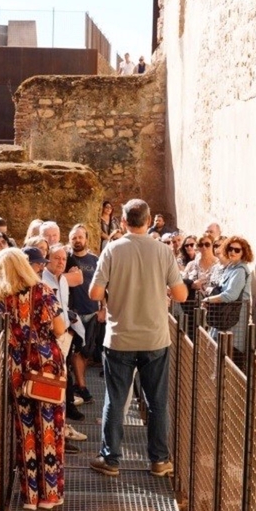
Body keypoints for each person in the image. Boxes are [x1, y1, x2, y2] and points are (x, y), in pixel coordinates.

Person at [88, 199, 187, 478]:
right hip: (155, 337)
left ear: (122, 221)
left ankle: (111, 459)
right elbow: (181, 295)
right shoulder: (163, 251)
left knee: (116, 400)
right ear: (148, 220)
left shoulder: (112, 249)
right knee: (156, 402)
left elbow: (94, 294)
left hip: (119, 338)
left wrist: (113, 292)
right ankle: (158, 460)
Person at [0, 248, 67, 511]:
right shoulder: (42, 291)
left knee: (26, 430)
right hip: (45, 366)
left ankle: (30, 496)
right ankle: (50, 495)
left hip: (16, 368)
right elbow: (60, 328)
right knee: (50, 428)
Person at [42, 244, 86, 422]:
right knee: (54, 375)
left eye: (63, 259)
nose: (61, 262)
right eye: (56, 258)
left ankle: (66, 409)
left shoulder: (63, 280)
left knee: (65, 372)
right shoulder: (43, 280)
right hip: (51, 335)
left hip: (65, 333)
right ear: (48, 260)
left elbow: (63, 306)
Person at [202, 236, 254, 363]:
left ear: (244, 252)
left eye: (237, 250)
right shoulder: (231, 267)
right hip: (225, 315)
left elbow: (231, 295)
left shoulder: (240, 271)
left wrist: (208, 299)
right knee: (215, 350)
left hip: (233, 317)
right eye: (230, 248)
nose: (233, 252)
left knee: (229, 354)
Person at [67, 224, 104, 400]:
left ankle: (77, 383)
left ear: (86, 239)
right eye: (74, 237)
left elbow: (104, 284)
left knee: (86, 351)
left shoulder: (95, 260)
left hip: (91, 312)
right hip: (72, 313)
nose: (77, 240)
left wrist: (103, 308)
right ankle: (82, 386)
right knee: (76, 351)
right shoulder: (65, 259)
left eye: (80, 237)